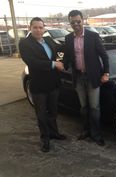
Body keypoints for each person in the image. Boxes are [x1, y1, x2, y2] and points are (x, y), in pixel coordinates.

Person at [19, 17, 66, 153]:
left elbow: (60, 49)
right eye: (35, 27)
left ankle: (54, 133)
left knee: (53, 112)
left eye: (41, 27)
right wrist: (54, 64)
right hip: (39, 86)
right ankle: (45, 139)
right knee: (41, 115)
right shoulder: (25, 43)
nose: (38, 30)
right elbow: (32, 62)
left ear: (44, 28)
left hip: (53, 84)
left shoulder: (49, 40)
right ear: (30, 28)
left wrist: (72, 41)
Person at [63, 10, 109, 146]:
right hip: (78, 77)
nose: (76, 24)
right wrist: (60, 64)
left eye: (78, 21)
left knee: (94, 107)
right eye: (73, 22)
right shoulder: (68, 38)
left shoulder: (93, 36)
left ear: (83, 20)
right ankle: (86, 131)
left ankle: (96, 134)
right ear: (70, 22)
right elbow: (67, 57)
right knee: (83, 107)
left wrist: (106, 73)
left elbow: (104, 55)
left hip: (93, 77)